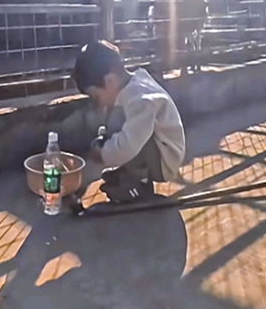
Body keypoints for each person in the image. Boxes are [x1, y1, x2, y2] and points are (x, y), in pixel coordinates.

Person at [72, 40, 186, 203]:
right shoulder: (130, 87)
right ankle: (131, 173)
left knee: (120, 125)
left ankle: (138, 184)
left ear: (110, 81)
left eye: (96, 96)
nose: (97, 103)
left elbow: (128, 144)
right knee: (116, 122)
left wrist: (103, 153)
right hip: (156, 147)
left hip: (165, 160)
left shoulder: (141, 99)